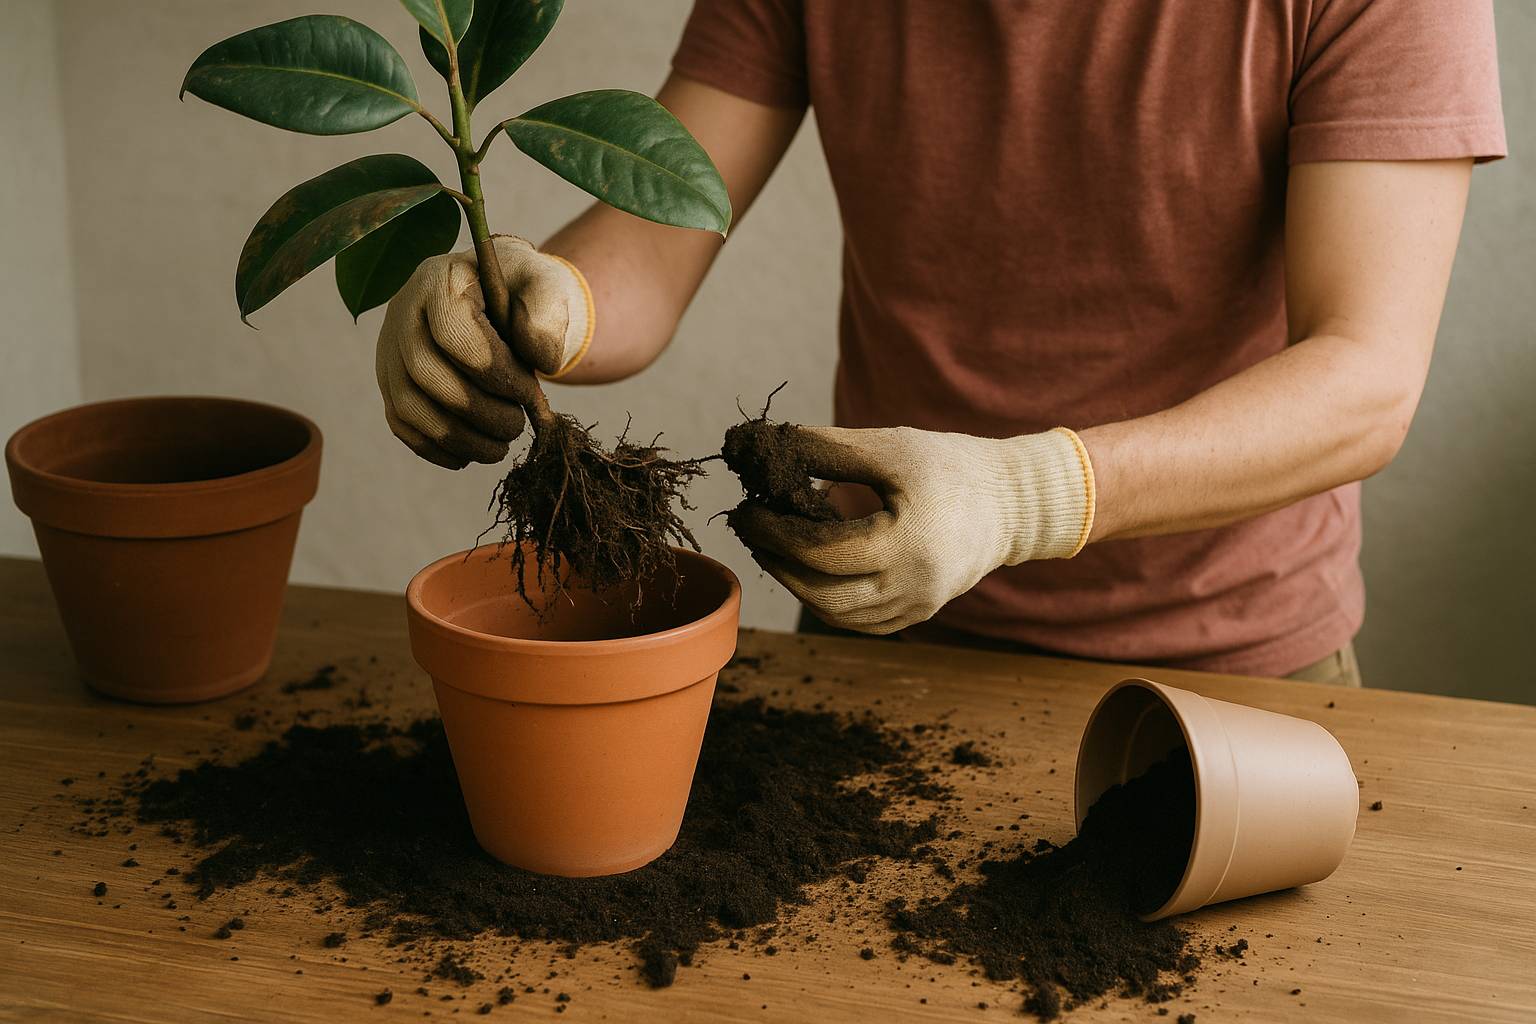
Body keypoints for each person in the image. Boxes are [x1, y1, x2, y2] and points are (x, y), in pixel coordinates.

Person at [376, 1, 1506, 687]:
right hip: (884, 630)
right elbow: (655, 238)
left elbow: (1366, 378)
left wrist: (1026, 496)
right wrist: (537, 302)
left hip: (1231, 669)